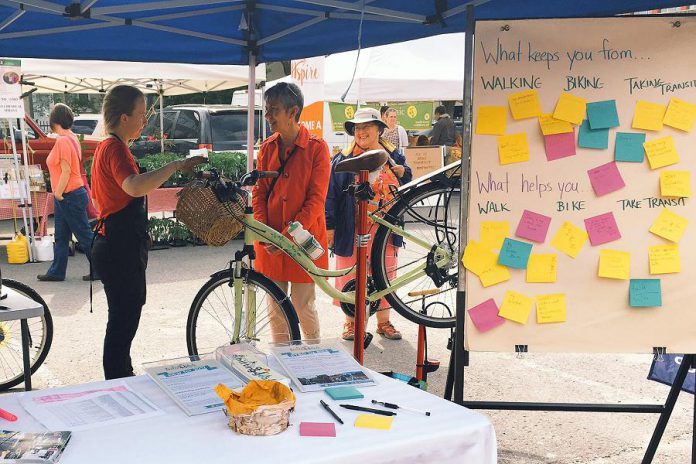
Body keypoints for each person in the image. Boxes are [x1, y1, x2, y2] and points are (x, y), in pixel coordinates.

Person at [91, 85, 204, 379]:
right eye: (141, 115)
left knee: (123, 317)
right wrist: (176, 165)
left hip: (116, 241)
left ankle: (119, 377)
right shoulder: (114, 147)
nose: (144, 121)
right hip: (118, 245)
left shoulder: (111, 146)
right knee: (122, 320)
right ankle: (118, 381)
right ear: (124, 117)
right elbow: (133, 186)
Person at [252, 82, 330, 342]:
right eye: (267, 109)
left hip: (303, 241)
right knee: (275, 309)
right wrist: (265, 232)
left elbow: (316, 201)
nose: (268, 117)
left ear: (293, 111)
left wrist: (286, 236)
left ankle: (314, 356)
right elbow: (259, 192)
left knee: (303, 305)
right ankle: (281, 360)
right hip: (271, 242)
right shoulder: (266, 148)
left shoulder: (317, 148)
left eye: (273, 110)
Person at [326, 107, 412, 341]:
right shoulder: (343, 158)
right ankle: (351, 322)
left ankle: (384, 322)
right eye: (357, 128)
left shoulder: (392, 154)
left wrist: (404, 172)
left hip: (385, 226)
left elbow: (407, 178)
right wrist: (329, 227)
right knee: (351, 273)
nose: (361, 132)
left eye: (366, 127)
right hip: (351, 226)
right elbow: (331, 194)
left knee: (384, 272)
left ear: (379, 129)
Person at [37, 104, 97, 282]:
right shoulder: (71, 138)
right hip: (72, 194)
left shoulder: (62, 141)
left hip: (67, 194)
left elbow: (66, 171)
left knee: (83, 235)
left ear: (53, 121)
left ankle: (101, 267)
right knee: (63, 236)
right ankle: (56, 271)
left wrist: (58, 194)